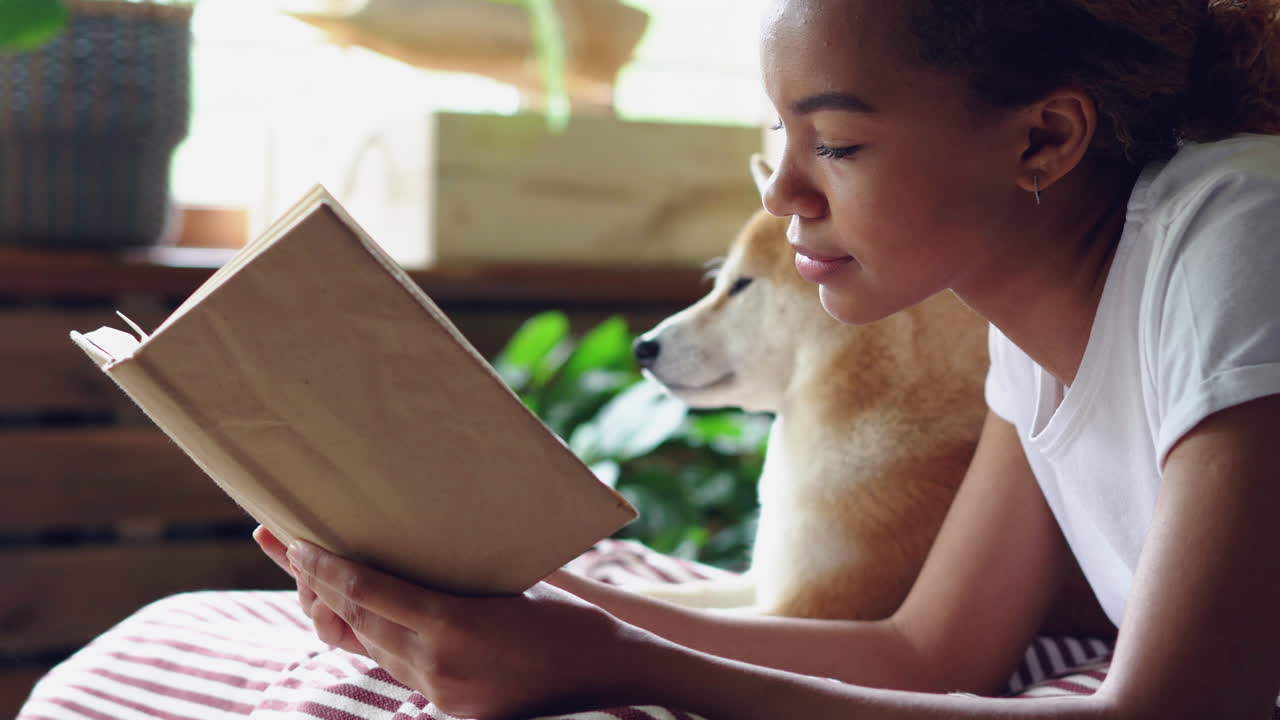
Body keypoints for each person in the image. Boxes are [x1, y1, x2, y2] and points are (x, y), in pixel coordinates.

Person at [255, 0, 1280, 717]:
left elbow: (1178, 708)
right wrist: (493, 593)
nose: (782, 193)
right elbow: (927, 653)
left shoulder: (1239, 233)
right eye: (776, 137)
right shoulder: (1040, 311)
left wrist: (619, 662)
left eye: (832, 142)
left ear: (1042, 140)